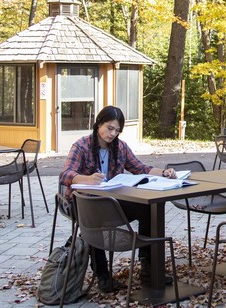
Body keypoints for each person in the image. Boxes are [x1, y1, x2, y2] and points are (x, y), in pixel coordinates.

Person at [59, 105, 177, 292]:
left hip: (110, 201)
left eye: (117, 130)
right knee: (94, 216)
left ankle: (148, 267)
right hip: (83, 204)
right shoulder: (81, 146)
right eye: (109, 128)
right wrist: (87, 179)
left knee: (148, 208)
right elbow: (65, 175)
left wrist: (164, 173)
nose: (113, 134)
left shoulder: (120, 147)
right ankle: (103, 275)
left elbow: (139, 168)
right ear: (99, 124)